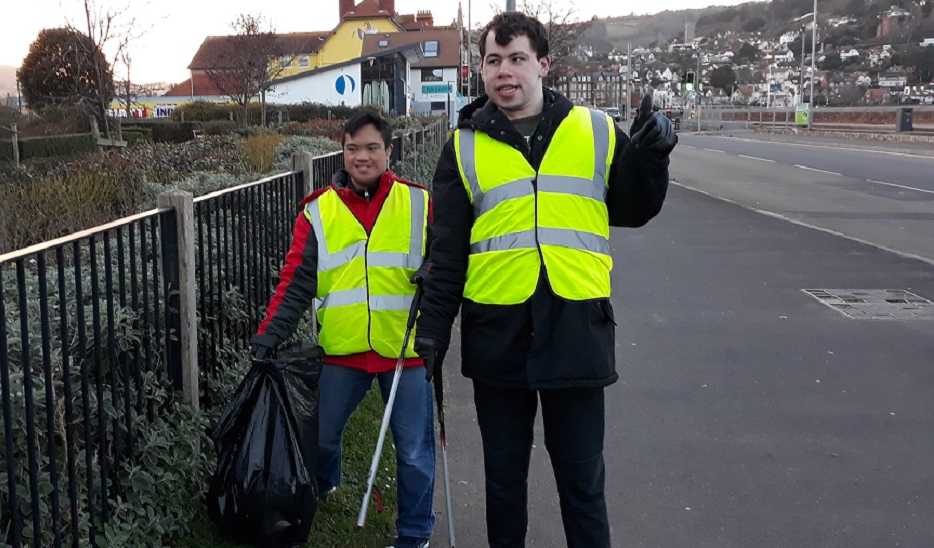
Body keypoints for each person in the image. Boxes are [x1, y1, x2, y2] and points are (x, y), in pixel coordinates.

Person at [413, 11, 677, 548]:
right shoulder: (462, 147)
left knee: (582, 485)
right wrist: (434, 332)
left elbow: (633, 208)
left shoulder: (596, 129)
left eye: (516, 59)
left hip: (577, 331)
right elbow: (447, 253)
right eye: (493, 60)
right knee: (504, 487)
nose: (504, 71)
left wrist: (651, 157)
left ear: (543, 64)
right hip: (497, 337)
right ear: (480, 70)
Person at [251, 110, 437, 548]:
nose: (362, 157)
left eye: (372, 147)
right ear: (343, 152)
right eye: (353, 148)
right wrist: (269, 334)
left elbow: (449, 256)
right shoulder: (318, 212)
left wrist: (435, 269)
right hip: (341, 351)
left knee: (413, 452)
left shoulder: (420, 202)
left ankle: (414, 532)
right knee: (322, 437)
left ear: (389, 151)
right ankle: (324, 482)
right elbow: (295, 282)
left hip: (404, 353)